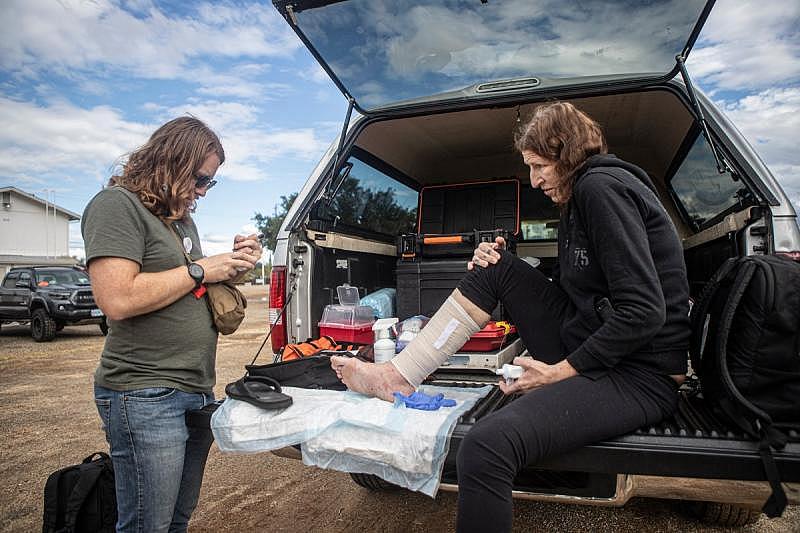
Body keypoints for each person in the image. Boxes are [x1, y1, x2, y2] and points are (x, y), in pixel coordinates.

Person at [331, 102, 690, 532]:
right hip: (600, 343)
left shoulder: (602, 188)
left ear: (567, 152)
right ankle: (400, 375)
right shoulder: (580, 197)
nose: (534, 180)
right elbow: (584, 287)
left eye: (539, 166)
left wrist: (558, 373)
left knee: (484, 448)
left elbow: (643, 311)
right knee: (495, 265)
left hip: (640, 374)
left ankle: (410, 378)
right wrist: (502, 262)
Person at [82, 117, 262, 532]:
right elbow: (118, 299)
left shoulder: (181, 221)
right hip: (145, 393)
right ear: (171, 160)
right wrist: (202, 269)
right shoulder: (116, 205)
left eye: (210, 183)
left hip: (194, 390)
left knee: (176, 520)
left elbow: (182, 286)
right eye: (200, 179)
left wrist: (229, 265)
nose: (202, 191)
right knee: (148, 525)